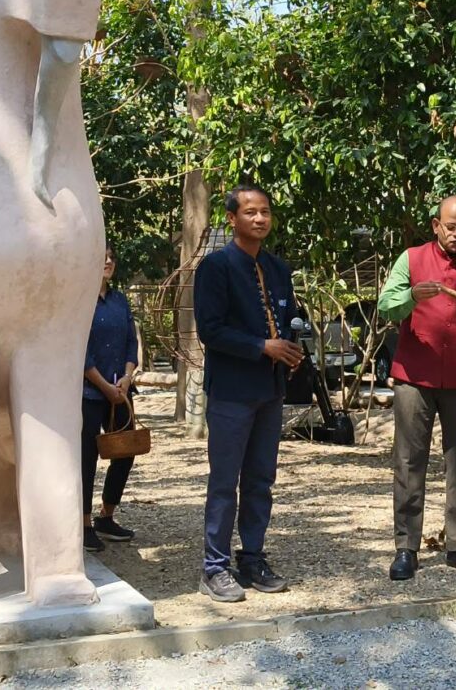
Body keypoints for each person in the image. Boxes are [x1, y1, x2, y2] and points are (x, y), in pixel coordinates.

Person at [378, 195, 456, 581]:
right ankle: (406, 547)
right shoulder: (411, 259)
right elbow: (386, 305)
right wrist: (411, 296)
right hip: (414, 375)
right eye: (451, 227)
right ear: (436, 226)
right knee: (409, 460)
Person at [194, 184, 304, 602]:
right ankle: (214, 567)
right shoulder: (216, 267)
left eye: (265, 212)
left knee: (261, 479)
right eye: (250, 212)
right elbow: (210, 330)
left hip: (269, 390)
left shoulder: (277, 268)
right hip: (231, 391)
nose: (259, 219)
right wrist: (262, 346)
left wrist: (292, 344)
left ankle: (253, 557)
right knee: (225, 481)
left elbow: (287, 317)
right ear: (232, 219)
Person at [81, 245, 140, 553]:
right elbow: (79, 351)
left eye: (111, 257)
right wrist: (104, 386)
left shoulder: (120, 300)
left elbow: (131, 341)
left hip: (121, 392)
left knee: (126, 451)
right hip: (89, 392)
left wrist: (127, 377)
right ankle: (84, 524)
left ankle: (107, 515)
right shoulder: (79, 301)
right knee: (86, 458)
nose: (107, 261)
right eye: (102, 256)